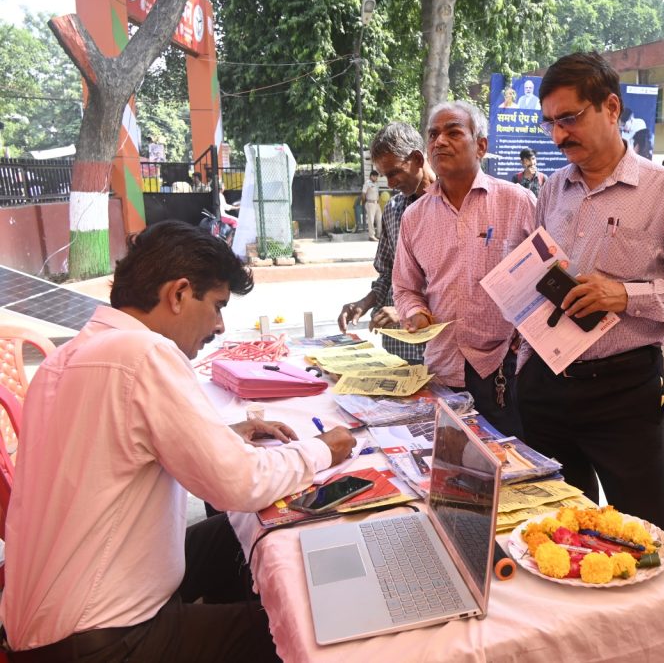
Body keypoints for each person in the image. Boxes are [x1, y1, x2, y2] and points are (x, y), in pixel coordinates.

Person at [0, 220, 356, 661]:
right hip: (102, 641)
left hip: (49, 621)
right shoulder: (145, 353)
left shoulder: (67, 358)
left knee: (233, 537)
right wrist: (323, 449)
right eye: (218, 306)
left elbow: (113, 451)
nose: (220, 326)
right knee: (296, 630)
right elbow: (240, 483)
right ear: (179, 294)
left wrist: (219, 436)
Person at [516, 52, 664, 548]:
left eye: (570, 118)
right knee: (557, 531)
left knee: (644, 535)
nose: (558, 135)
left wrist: (625, 295)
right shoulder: (553, 189)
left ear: (611, 108)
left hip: (624, 393)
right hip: (546, 385)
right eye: (550, 123)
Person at [392, 101, 536, 437]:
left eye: (453, 132)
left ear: (481, 146)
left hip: (506, 369)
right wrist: (416, 313)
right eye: (433, 134)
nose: (439, 141)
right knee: (449, 462)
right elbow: (405, 288)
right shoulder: (414, 217)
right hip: (442, 369)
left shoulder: (518, 203)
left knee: (510, 463)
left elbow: (550, 276)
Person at [338, 122, 437, 364]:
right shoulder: (393, 210)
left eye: (394, 173)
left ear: (417, 159)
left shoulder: (450, 208)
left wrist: (407, 312)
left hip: (436, 348)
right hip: (398, 347)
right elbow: (388, 273)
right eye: (384, 176)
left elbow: (455, 290)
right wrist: (364, 303)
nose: (390, 184)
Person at [362, 169, 383, 240]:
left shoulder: (376, 184)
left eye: (377, 176)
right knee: (371, 220)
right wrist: (364, 202)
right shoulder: (367, 183)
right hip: (370, 203)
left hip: (376, 203)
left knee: (379, 219)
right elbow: (363, 193)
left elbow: (377, 194)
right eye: (375, 176)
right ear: (371, 176)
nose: (376, 178)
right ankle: (371, 236)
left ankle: (379, 235)